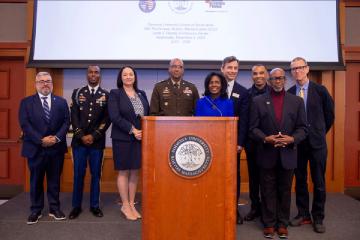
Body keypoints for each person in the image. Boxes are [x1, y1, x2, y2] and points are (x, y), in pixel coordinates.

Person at [249, 68, 307, 239]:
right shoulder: (258, 101)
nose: (277, 81)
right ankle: (269, 224)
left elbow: (303, 128)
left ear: (285, 80)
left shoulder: (296, 101)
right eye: (274, 78)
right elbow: (253, 129)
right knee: (267, 190)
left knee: (285, 190)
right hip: (267, 152)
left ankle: (282, 223)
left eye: (280, 78)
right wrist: (266, 139)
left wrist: (292, 139)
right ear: (269, 80)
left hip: (288, 153)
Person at [288, 57, 334, 233]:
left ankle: (318, 217)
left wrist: (319, 132)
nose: (297, 71)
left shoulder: (320, 90)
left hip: (317, 144)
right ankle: (303, 214)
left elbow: (329, 116)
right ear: (291, 72)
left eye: (300, 67)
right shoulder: (290, 92)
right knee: (300, 180)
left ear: (307, 69)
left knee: (319, 181)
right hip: (298, 145)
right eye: (293, 69)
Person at [19, 72, 70, 224]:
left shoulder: (61, 102)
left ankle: (55, 208)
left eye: (48, 81)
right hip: (35, 148)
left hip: (56, 148)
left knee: (54, 180)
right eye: (41, 81)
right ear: (36, 84)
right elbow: (25, 124)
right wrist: (41, 140)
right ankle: (36, 210)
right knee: (36, 181)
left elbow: (66, 122)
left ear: (52, 83)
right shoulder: (26, 102)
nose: (45, 84)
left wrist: (56, 138)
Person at [68, 65, 111, 219]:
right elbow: (73, 116)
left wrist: (94, 135)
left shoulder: (106, 95)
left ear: (100, 75)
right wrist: (81, 135)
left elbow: (107, 119)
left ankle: (95, 206)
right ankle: (76, 206)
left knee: (95, 175)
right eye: (90, 72)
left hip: (97, 143)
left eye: (96, 72)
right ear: (87, 75)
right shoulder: (78, 92)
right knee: (78, 174)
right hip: (79, 143)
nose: (93, 75)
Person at [108, 66, 150, 221]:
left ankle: (132, 204)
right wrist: (132, 130)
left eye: (130, 74)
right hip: (123, 138)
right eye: (124, 74)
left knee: (135, 171)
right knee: (124, 172)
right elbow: (114, 116)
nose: (128, 77)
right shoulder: (115, 94)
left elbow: (147, 115)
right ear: (121, 77)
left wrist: (144, 130)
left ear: (135, 77)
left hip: (140, 138)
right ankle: (125, 205)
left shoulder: (142, 93)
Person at [220, 56, 249, 224]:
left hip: (233, 143)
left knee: (233, 175)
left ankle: (233, 208)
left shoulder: (243, 91)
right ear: (222, 68)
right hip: (215, 143)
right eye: (229, 67)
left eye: (235, 68)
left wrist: (240, 143)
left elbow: (244, 120)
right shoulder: (212, 86)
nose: (232, 71)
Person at [244, 64, 271, 221]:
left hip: (270, 144)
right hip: (252, 144)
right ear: (252, 76)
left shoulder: (273, 92)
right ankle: (255, 208)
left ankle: (268, 210)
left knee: (268, 179)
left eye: (261, 73)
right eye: (255, 73)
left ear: (266, 75)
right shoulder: (246, 94)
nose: (258, 76)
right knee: (254, 179)